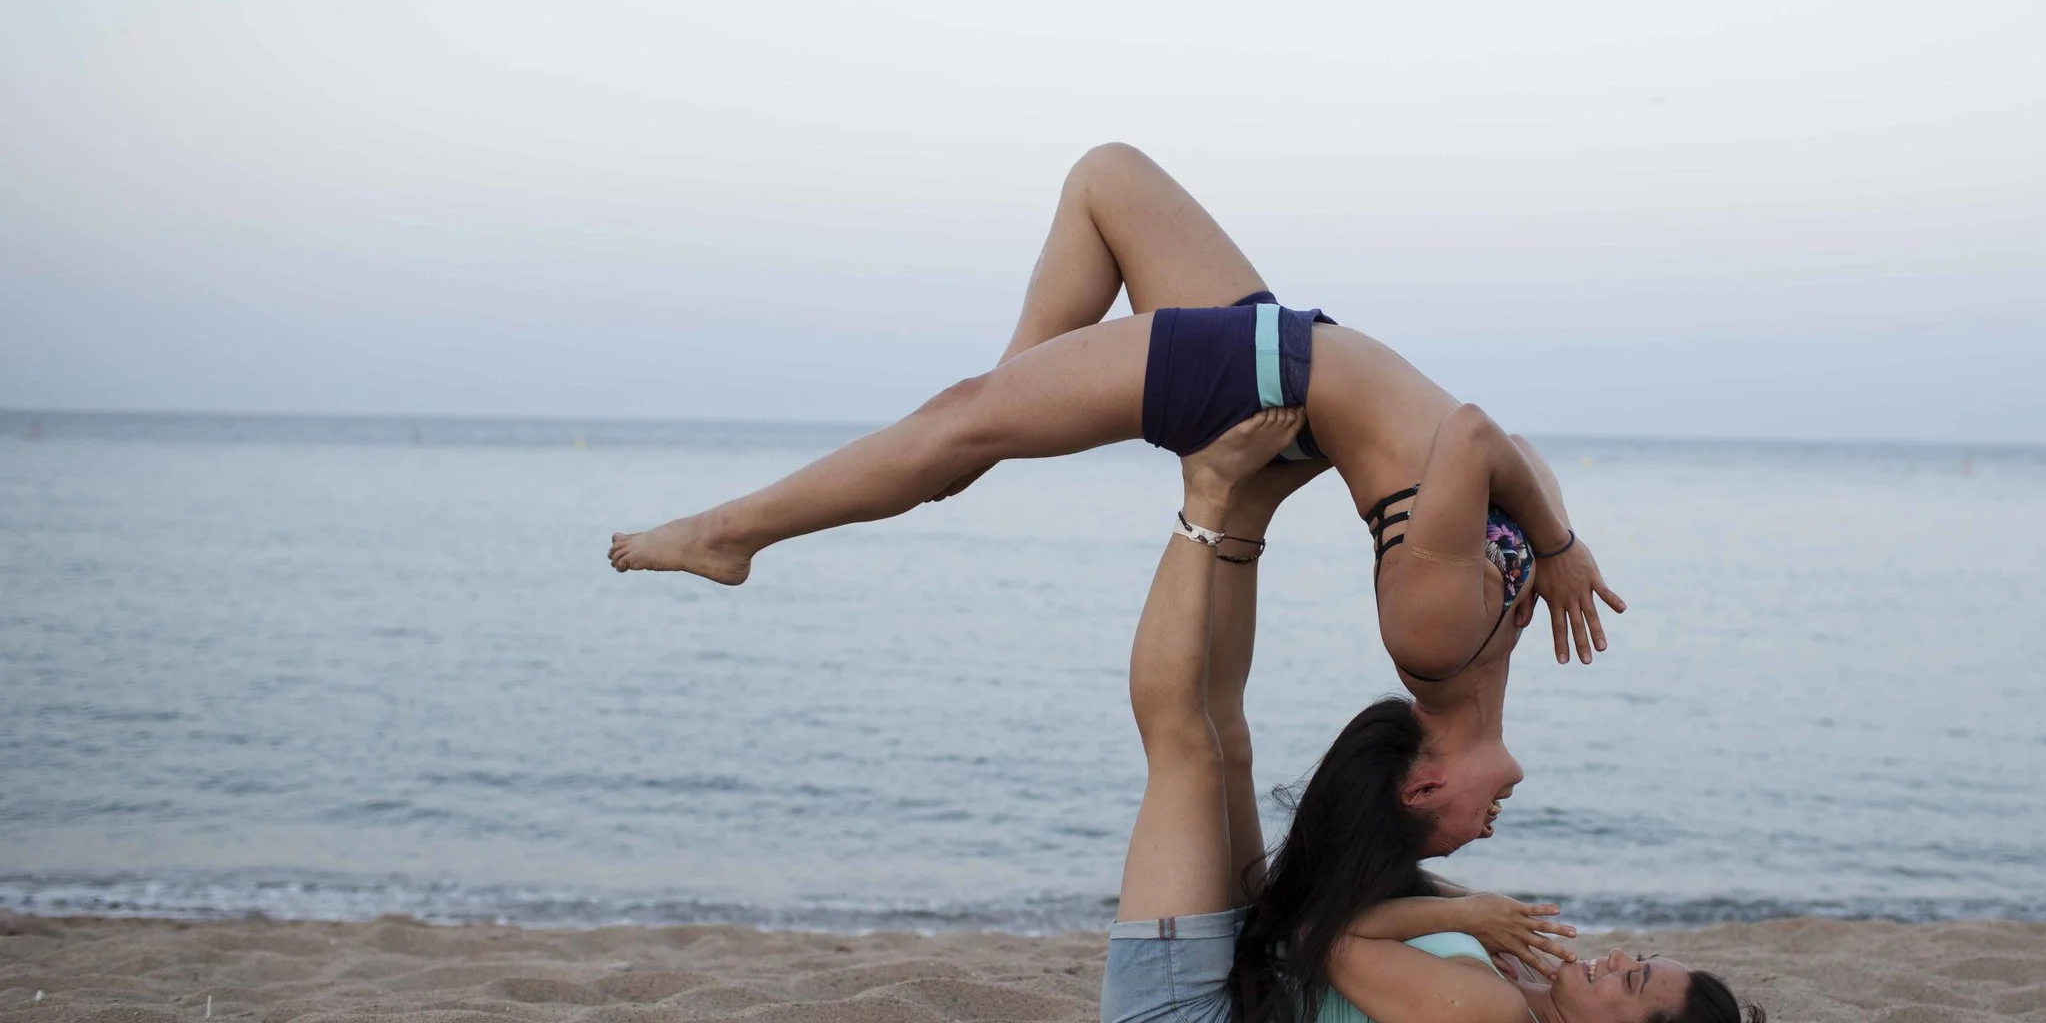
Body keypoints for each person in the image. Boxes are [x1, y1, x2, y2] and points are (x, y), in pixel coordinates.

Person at [610, 144, 1626, 856]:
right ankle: (989, 421)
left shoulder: (1432, 638)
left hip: (1262, 375)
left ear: (1422, 785)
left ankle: (729, 532)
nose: (1484, 832)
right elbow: (1502, 444)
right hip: (1281, 353)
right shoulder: (1482, 642)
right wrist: (1554, 549)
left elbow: (1478, 434)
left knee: (970, 410)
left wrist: (1559, 540)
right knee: (1105, 179)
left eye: (1455, 834)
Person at [1102, 407, 1769, 1023]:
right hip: (1241, 976)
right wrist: (1469, 906)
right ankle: (1245, 516)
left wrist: (1464, 913)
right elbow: (1379, 907)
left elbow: (1322, 940)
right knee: (1229, 736)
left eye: (1634, 976)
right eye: (1639, 955)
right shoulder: (1527, 990)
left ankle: (1207, 500)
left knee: (1188, 746)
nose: (1619, 954)